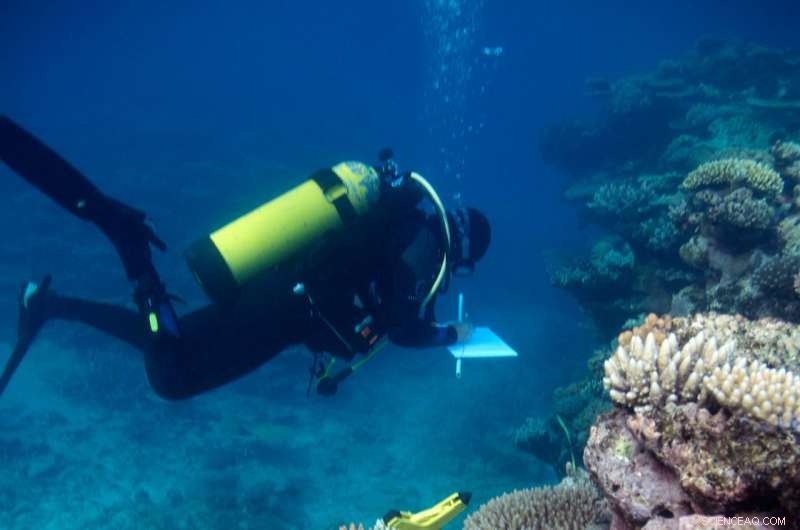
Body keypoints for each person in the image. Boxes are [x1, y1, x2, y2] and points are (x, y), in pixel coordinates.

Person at [0, 117, 491, 400]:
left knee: (169, 340)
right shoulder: (424, 251)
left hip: (275, 286)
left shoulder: (402, 221)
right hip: (285, 317)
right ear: (465, 253)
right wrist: (452, 335)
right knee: (173, 377)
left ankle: (51, 305)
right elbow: (402, 327)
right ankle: (135, 259)